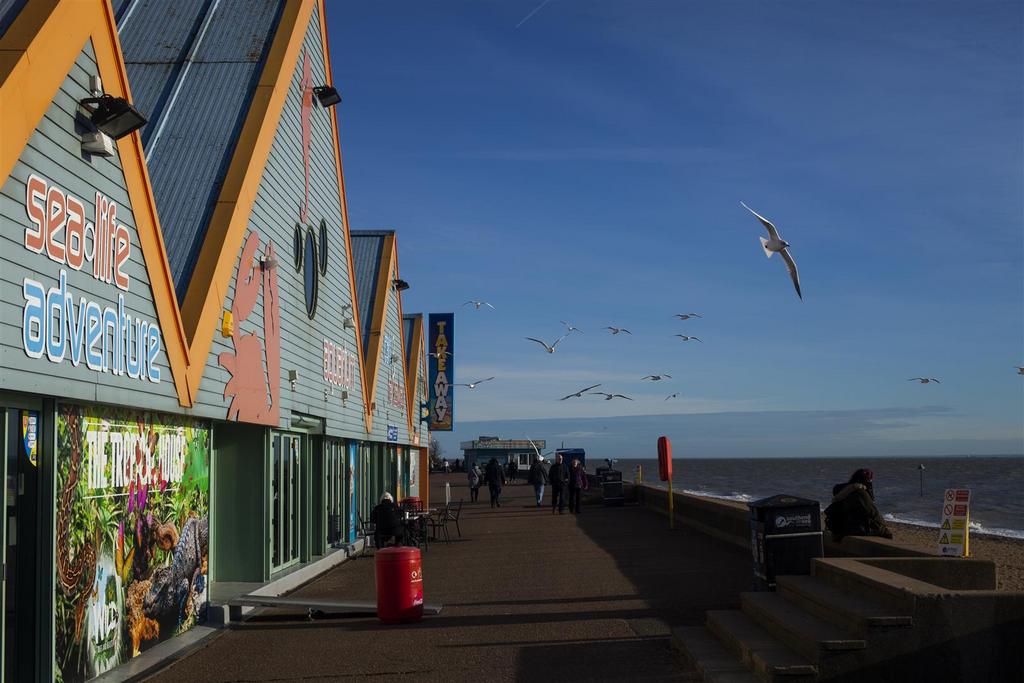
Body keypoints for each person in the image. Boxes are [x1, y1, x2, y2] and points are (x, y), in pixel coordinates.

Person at [825, 468, 893, 542]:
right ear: (867, 480)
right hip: (853, 527)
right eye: (870, 480)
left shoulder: (845, 489)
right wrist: (883, 526)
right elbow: (872, 512)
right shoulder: (860, 493)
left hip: (840, 526)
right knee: (884, 530)